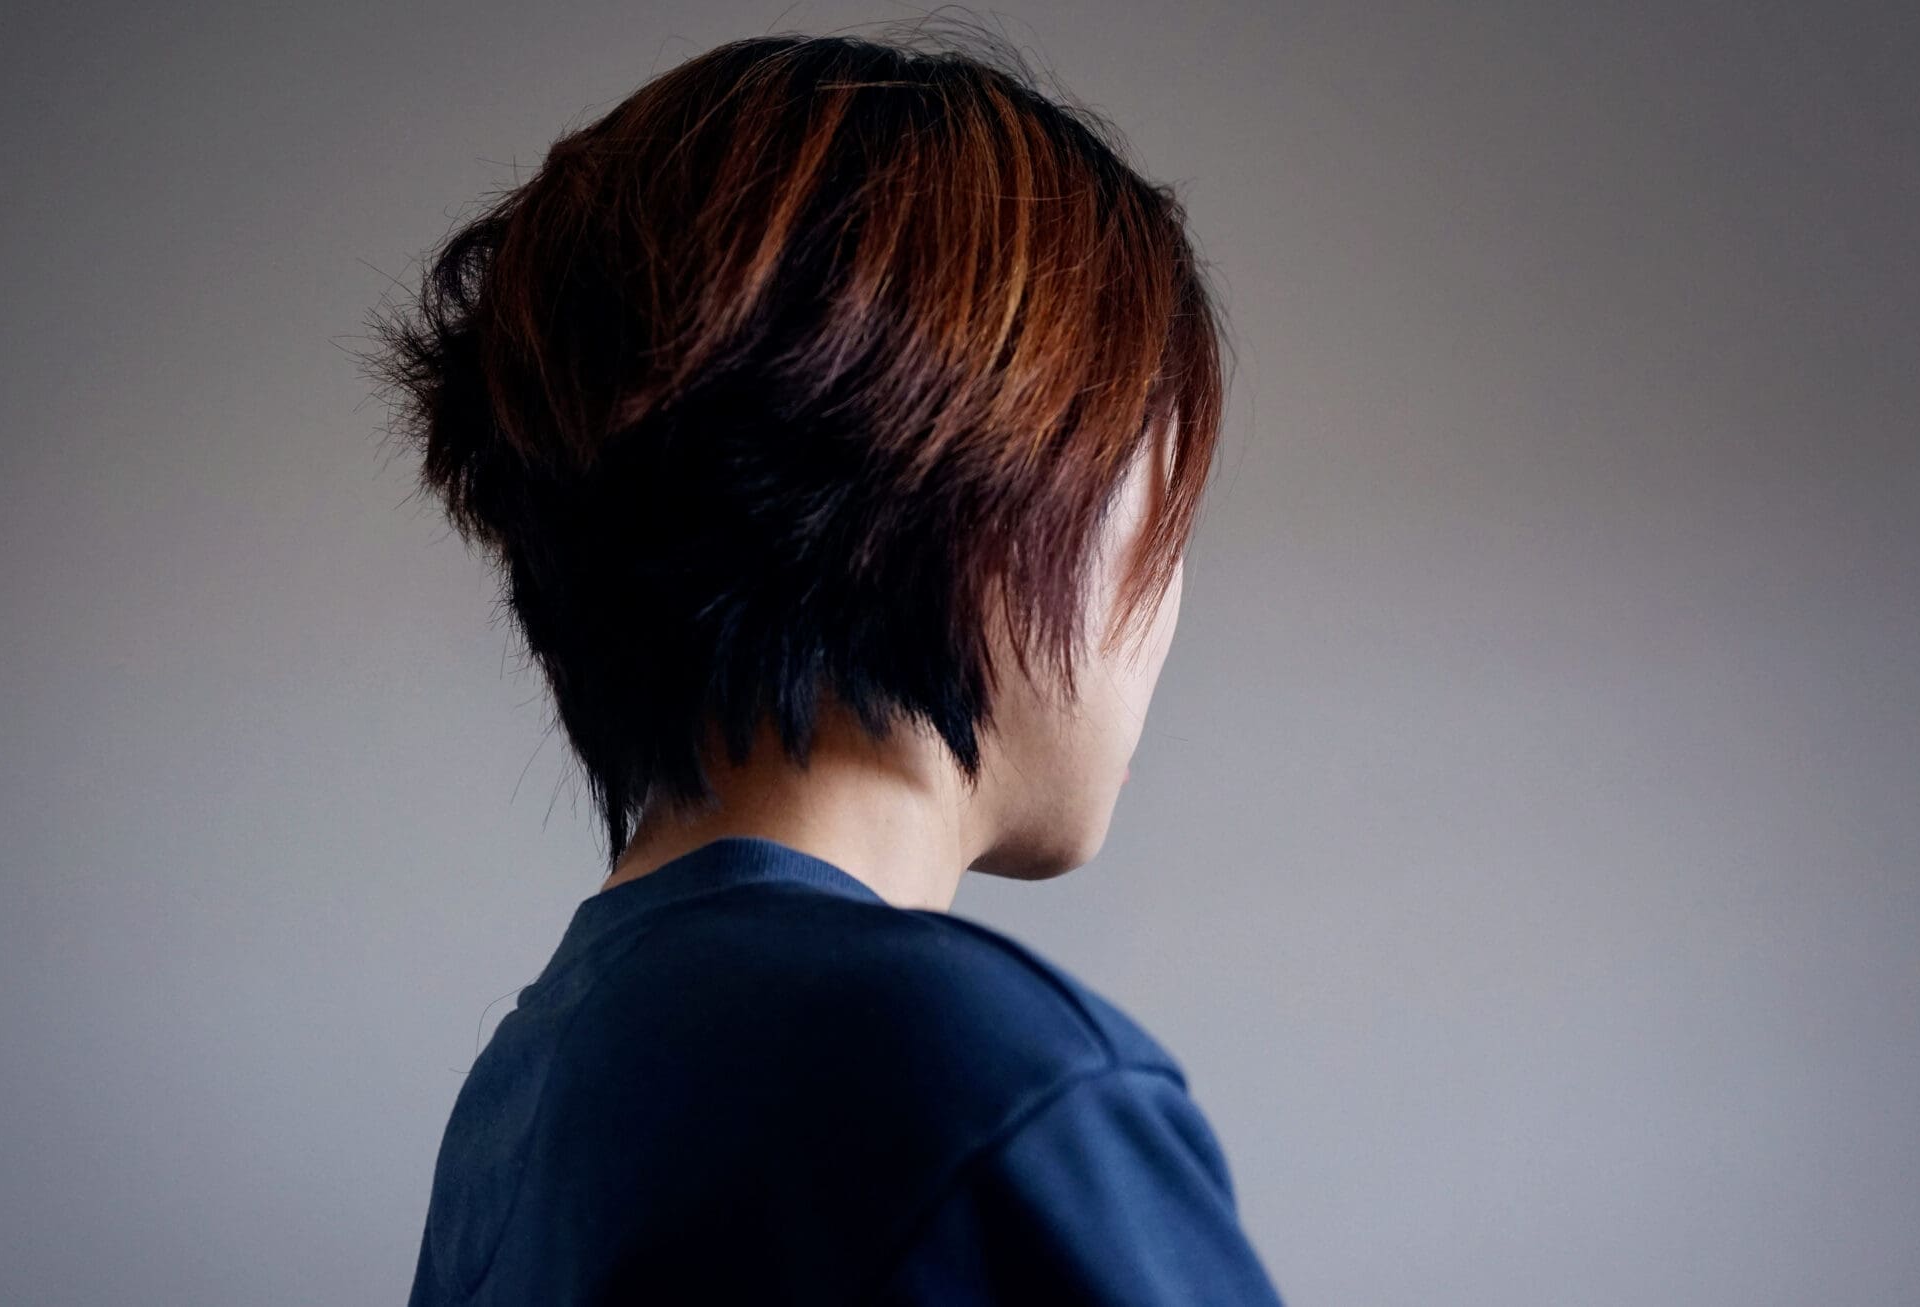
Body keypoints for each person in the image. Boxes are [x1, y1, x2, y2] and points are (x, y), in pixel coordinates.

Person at [370, 21, 1285, 1304]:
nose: (1170, 600)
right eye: (1165, 518)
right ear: (981, 497)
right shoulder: (985, 1084)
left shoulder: (528, 1090)